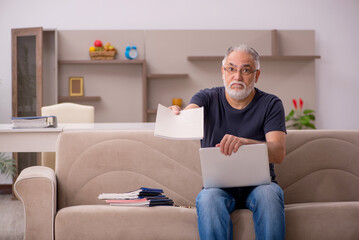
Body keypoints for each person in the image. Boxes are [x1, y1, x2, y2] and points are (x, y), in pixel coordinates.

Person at [169, 44, 286, 240]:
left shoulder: (271, 104)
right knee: (208, 198)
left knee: (269, 195)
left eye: (245, 70)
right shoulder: (207, 98)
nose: (237, 77)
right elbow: (188, 115)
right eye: (231, 69)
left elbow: (278, 153)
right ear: (223, 72)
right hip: (217, 187)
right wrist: (178, 115)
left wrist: (245, 143)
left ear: (256, 75)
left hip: (260, 186)